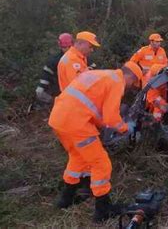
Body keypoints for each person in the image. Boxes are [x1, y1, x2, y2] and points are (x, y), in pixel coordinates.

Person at [48, 61, 142, 222]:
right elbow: (111, 118)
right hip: (77, 125)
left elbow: (91, 106)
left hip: (58, 119)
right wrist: (126, 128)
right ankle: (103, 210)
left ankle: (65, 199)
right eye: (133, 84)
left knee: (77, 157)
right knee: (101, 163)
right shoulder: (117, 82)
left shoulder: (101, 74)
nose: (130, 88)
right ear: (131, 77)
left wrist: (103, 125)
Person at [35, 33, 73, 104]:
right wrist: (41, 88)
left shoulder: (82, 58)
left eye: (69, 47)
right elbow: (46, 75)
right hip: (61, 93)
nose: (67, 49)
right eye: (64, 47)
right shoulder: (54, 61)